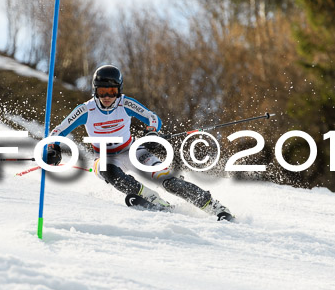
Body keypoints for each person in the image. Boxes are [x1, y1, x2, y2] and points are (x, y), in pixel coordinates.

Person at [45, 64, 234, 221]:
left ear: (119, 90)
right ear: (95, 90)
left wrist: (151, 132)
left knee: (169, 182)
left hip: (133, 151)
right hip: (104, 157)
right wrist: (53, 149)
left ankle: (216, 208)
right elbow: (57, 132)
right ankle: (152, 199)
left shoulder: (125, 104)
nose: (107, 97)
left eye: (112, 91)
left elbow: (152, 118)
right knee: (108, 170)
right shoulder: (86, 110)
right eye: (102, 91)